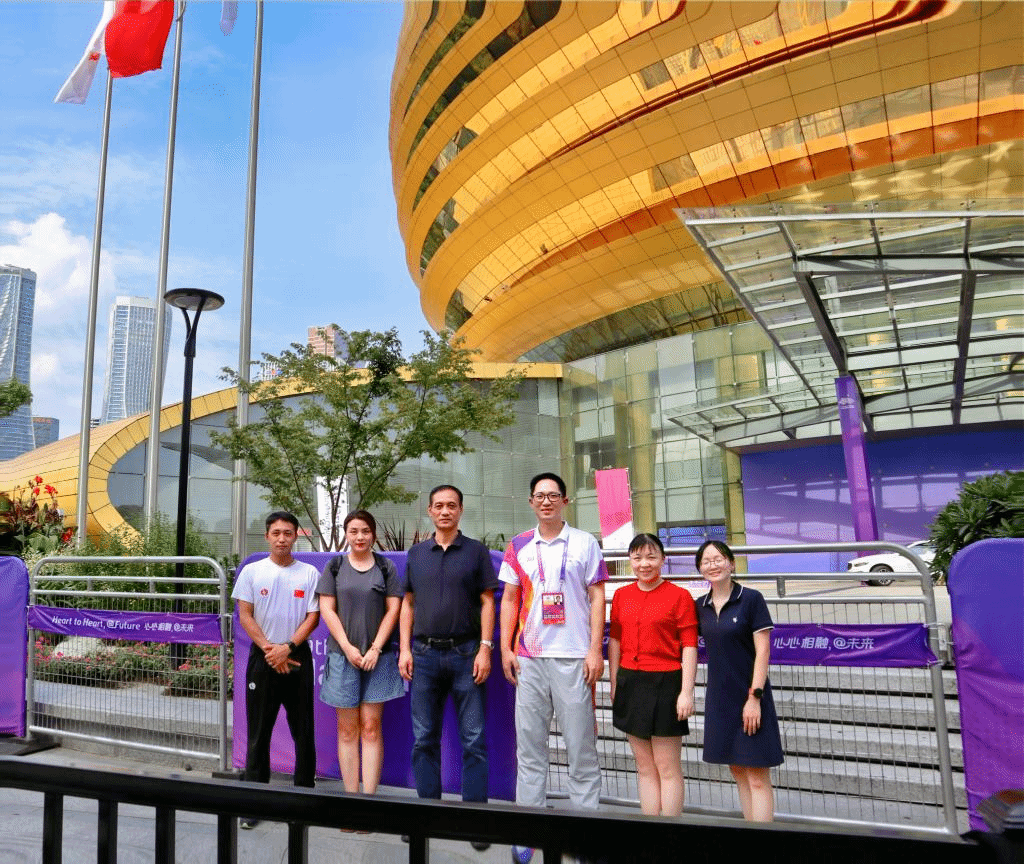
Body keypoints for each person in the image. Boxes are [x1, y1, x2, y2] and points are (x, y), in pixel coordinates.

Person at [499, 472, 607, 864]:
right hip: (529, 658)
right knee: (529, 748)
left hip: (575, 657)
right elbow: (509, 599)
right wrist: (506, 648)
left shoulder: (584, 542)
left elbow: (598, 597)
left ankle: (584, 835)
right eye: (540, 495)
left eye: (553, 495)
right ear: (531, 502)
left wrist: (595, 650)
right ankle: (528, 832)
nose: (546, 501)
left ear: (565, 501)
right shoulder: (519, 545)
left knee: (581, 748)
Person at [399, 484, 498, 853]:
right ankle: (427, 816)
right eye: (439, 506)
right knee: (424, 739)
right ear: (429, 510)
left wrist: (485, 648)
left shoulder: (476, 552)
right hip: (423, 656)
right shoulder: (416, 554)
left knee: (474, 740)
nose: (445, 511)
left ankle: (475, 820)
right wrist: (404, 649)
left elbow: (488, 602)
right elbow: (408, 604)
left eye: (451, 506)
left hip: (466, 655)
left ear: (460, 510)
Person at [232, 511, 321, 829]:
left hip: (297, 658)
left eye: (287, 533)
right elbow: (245, 614)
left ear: (296, 536)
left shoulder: (309, 573)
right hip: (263, 659)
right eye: (276, 533)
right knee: (258, 733)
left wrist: (288, 647)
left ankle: (304, 800)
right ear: (267, 536)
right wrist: (272, 650)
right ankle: (254, 804)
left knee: (303, 731)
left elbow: (313, 617)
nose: (282, 538)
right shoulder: (252, 572)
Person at [316, 510, 404, 801]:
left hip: (378, 658)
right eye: (353, 531)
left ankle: (369, 801)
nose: (360, 537)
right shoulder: (335, 566)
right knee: (347, 730)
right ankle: (351, 799)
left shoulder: (386, 567)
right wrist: (348, 647)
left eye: (365, 531)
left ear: (373, 535)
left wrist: (375, 648)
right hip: (343, 657)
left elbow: (393, 609)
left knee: (371, 728)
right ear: (346, 534)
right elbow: (327, 609)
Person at [608, 533, 697, 817]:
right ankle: (649, 829)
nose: (644, 564)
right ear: (630, 560)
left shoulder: (679, 596)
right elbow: (615, 640)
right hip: (630, 681)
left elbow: (690, 645)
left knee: (667, 767)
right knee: (644, 766)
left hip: (666, 683)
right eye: (637, 558)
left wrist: (686, 691)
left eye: (651, 557)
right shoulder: (621, 595)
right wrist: (614, 681)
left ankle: (670, 833)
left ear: (662, 559)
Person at [695, 539, 783, 822]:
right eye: (706, 561)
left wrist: (754, 697)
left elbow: (763, 651)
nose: (713, 565)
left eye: (719, 559)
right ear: (700, 569)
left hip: (751, 696)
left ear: (731, 563)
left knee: (757, 775)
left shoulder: (751, 599)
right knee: (737, 771)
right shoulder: (700, 606)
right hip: (721, 700)